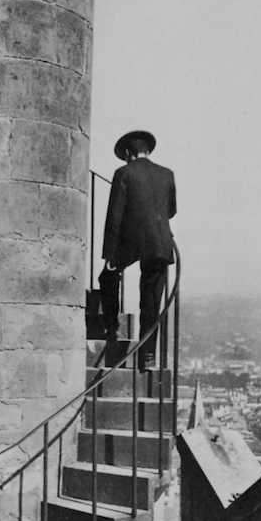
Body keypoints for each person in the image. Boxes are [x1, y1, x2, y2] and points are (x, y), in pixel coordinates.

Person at [99, 130, 176, 371]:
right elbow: (171, 210)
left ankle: (111, 330)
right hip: (161, 243)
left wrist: (110, 256)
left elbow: (114, 216)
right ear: (147, 151)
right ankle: (148, 356)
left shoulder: (123, 173)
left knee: (107, 277)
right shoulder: (167, 173)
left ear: (128, 155)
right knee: (152, 300)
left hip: (133, 241)